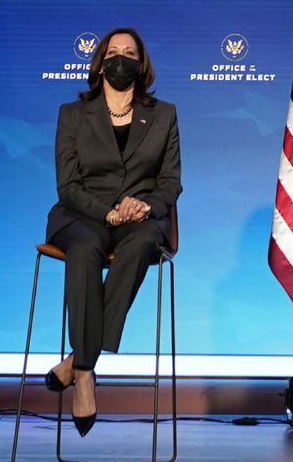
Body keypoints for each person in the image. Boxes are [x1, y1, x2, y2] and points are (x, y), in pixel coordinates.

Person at [42, 27, 181, 436]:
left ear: (141, 65)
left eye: (130, 52)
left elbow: (171, 181)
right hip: (81, 215)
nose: (121, 58)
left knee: (141, 245)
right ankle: (85, 374)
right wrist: (108, 213)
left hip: (139, 219)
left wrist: (145, 206)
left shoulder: (164, 114)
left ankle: (78, 364)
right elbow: (67, 185)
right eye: (114, 51)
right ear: (101, 61)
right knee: (84, 250)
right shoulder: (73, 114)